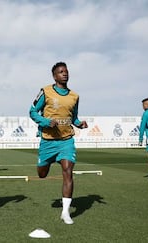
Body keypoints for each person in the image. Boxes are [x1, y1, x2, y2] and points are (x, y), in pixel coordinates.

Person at [29, 62, 88, 225]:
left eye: (66, 71)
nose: (64, 74)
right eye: (61, 72)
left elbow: (73, 117)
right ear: (54, 76)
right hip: (48, 141)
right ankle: (44, 163)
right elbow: (32, 112)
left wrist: (79, 123)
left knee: (68, 171)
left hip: (66, 140)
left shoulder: (74, 96)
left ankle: (65, 212)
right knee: (42, 174)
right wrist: (46, 122)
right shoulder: (45, 91)